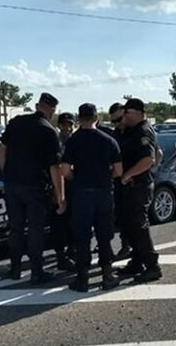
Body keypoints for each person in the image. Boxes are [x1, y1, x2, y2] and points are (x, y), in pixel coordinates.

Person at [0, 92, 65, 284]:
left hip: (12, 184)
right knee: (35, 229)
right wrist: (60, 196)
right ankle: (37, 271)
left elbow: (2, 148)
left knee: (16, 228)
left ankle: (15, 269)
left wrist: (5, 173)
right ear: (50, 110)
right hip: (35, 187)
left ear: (37, 106)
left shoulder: (16, 122)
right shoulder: (48, 130)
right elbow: (55, 167)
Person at [60, 103, 122, 292]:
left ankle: (82, 279)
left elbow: (64, 170)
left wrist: (76, 178)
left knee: (82, 237)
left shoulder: (72, 141)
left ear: (79, 119)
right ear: (97, 118)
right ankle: (107, 276)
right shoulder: (109, 140)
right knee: (104, 236)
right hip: (103, 193)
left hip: (81, 194)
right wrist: (104, 177)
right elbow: (118, 171)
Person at [117, 98, 161, 283]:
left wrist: (127, 175)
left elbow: (148, 160)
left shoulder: (143, 131)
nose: (123, 116)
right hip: (130, 188)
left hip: (139, 186)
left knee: (139, 227)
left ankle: (152, 266)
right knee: (130, 226)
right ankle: (136, 262)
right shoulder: (130, 131)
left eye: (127, 112)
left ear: (137, 113)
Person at [51, 112, 76, 270]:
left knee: (74, 222)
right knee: (58, 224)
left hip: (73, 187)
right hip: (58, 187)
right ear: (59, 125)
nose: (67, 128)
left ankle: (72, 251)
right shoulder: (54, 142)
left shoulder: (76, 141)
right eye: (64, 124)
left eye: (70, 124)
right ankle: (60, 256)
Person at [108, 102, 132, 261]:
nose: (117, 124)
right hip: (117, 182)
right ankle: (125, 245)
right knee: (121, 216)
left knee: (134, 218)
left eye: (119, 119)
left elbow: (155, 156)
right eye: (114, 121)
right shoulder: (114, 135)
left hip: (133, 182)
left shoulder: (137, 131)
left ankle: (133, 249)